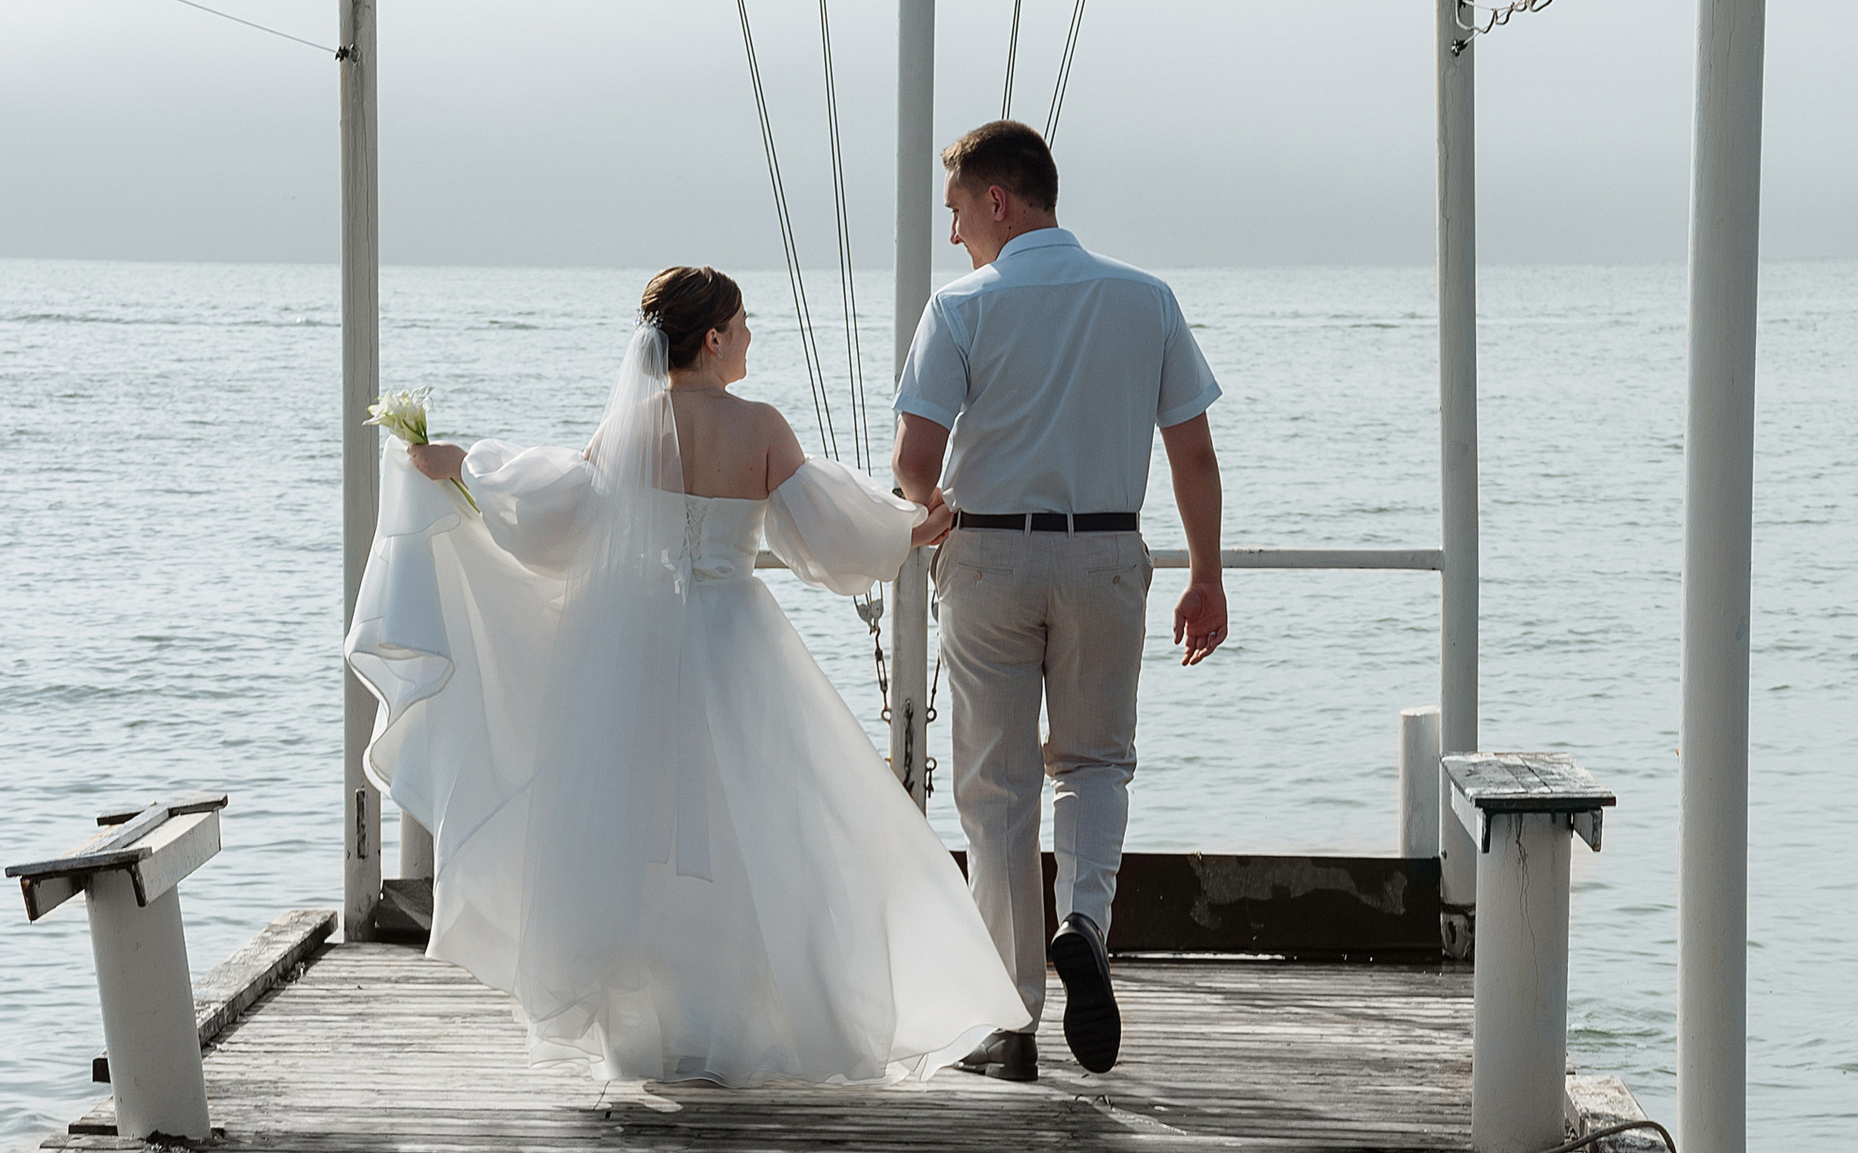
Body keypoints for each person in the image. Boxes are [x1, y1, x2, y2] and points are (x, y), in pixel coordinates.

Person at [348, 266, 1028, 1087]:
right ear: (711, 337)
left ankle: (652, 1030)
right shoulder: (760, 427)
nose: (749, 337)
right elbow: (828, 534)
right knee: (763, 830)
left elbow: (560, 515)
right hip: (734, 639)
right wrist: (910, 528)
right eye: (742, 323)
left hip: (632, 648)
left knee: (638, 831)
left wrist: (465, 470)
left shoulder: (628, 429)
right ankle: (738, 1020)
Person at [892, 120, 1226, 1084]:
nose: (954, 235)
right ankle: (1084, 920)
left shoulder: (959, 307)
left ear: (998, 200)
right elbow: (1193, 454)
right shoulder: (1144, 297)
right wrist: (1205, 576)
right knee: (1094, 763)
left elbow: (917, 463)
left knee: (997, 791)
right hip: (1106, 553)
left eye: (957, 211)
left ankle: (1012, 1021)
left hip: (990, 554)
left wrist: (935, 512)